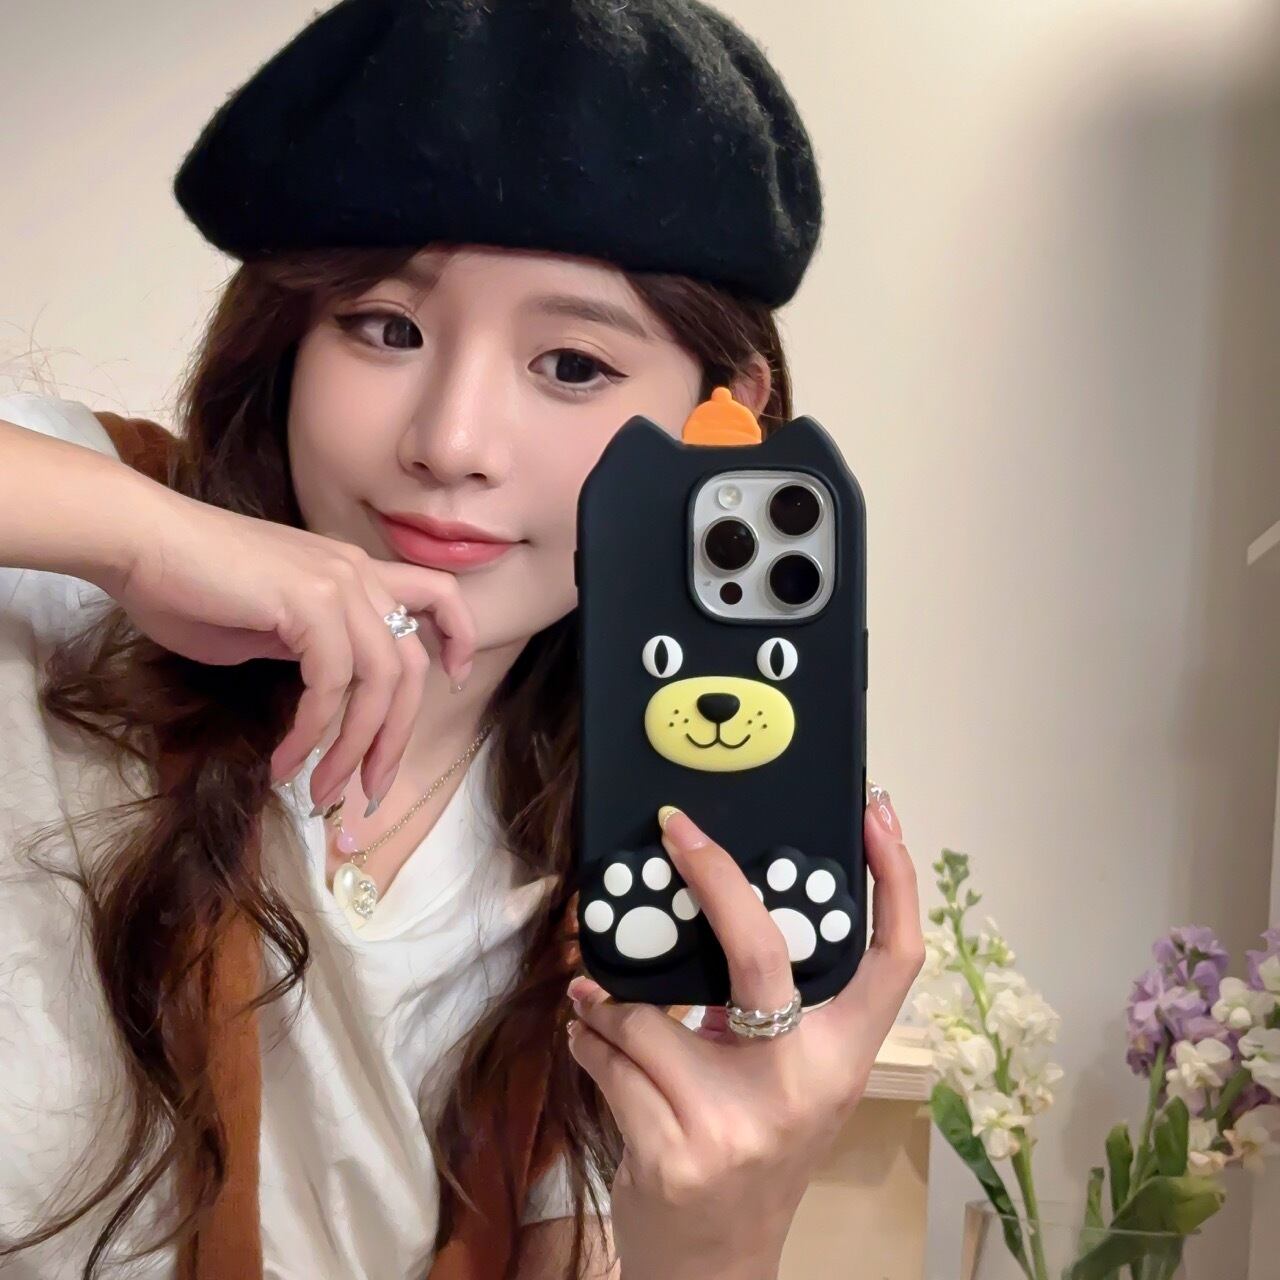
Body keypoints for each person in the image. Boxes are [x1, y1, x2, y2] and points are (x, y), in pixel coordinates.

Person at [0, 2, 925, 1278]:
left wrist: (719, 1229)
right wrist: (133, 535)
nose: (450, 441)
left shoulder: (628, 883)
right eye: (386, 327)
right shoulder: (59, 561)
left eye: (571, 364)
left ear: (718, 420)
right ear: (288, 336)